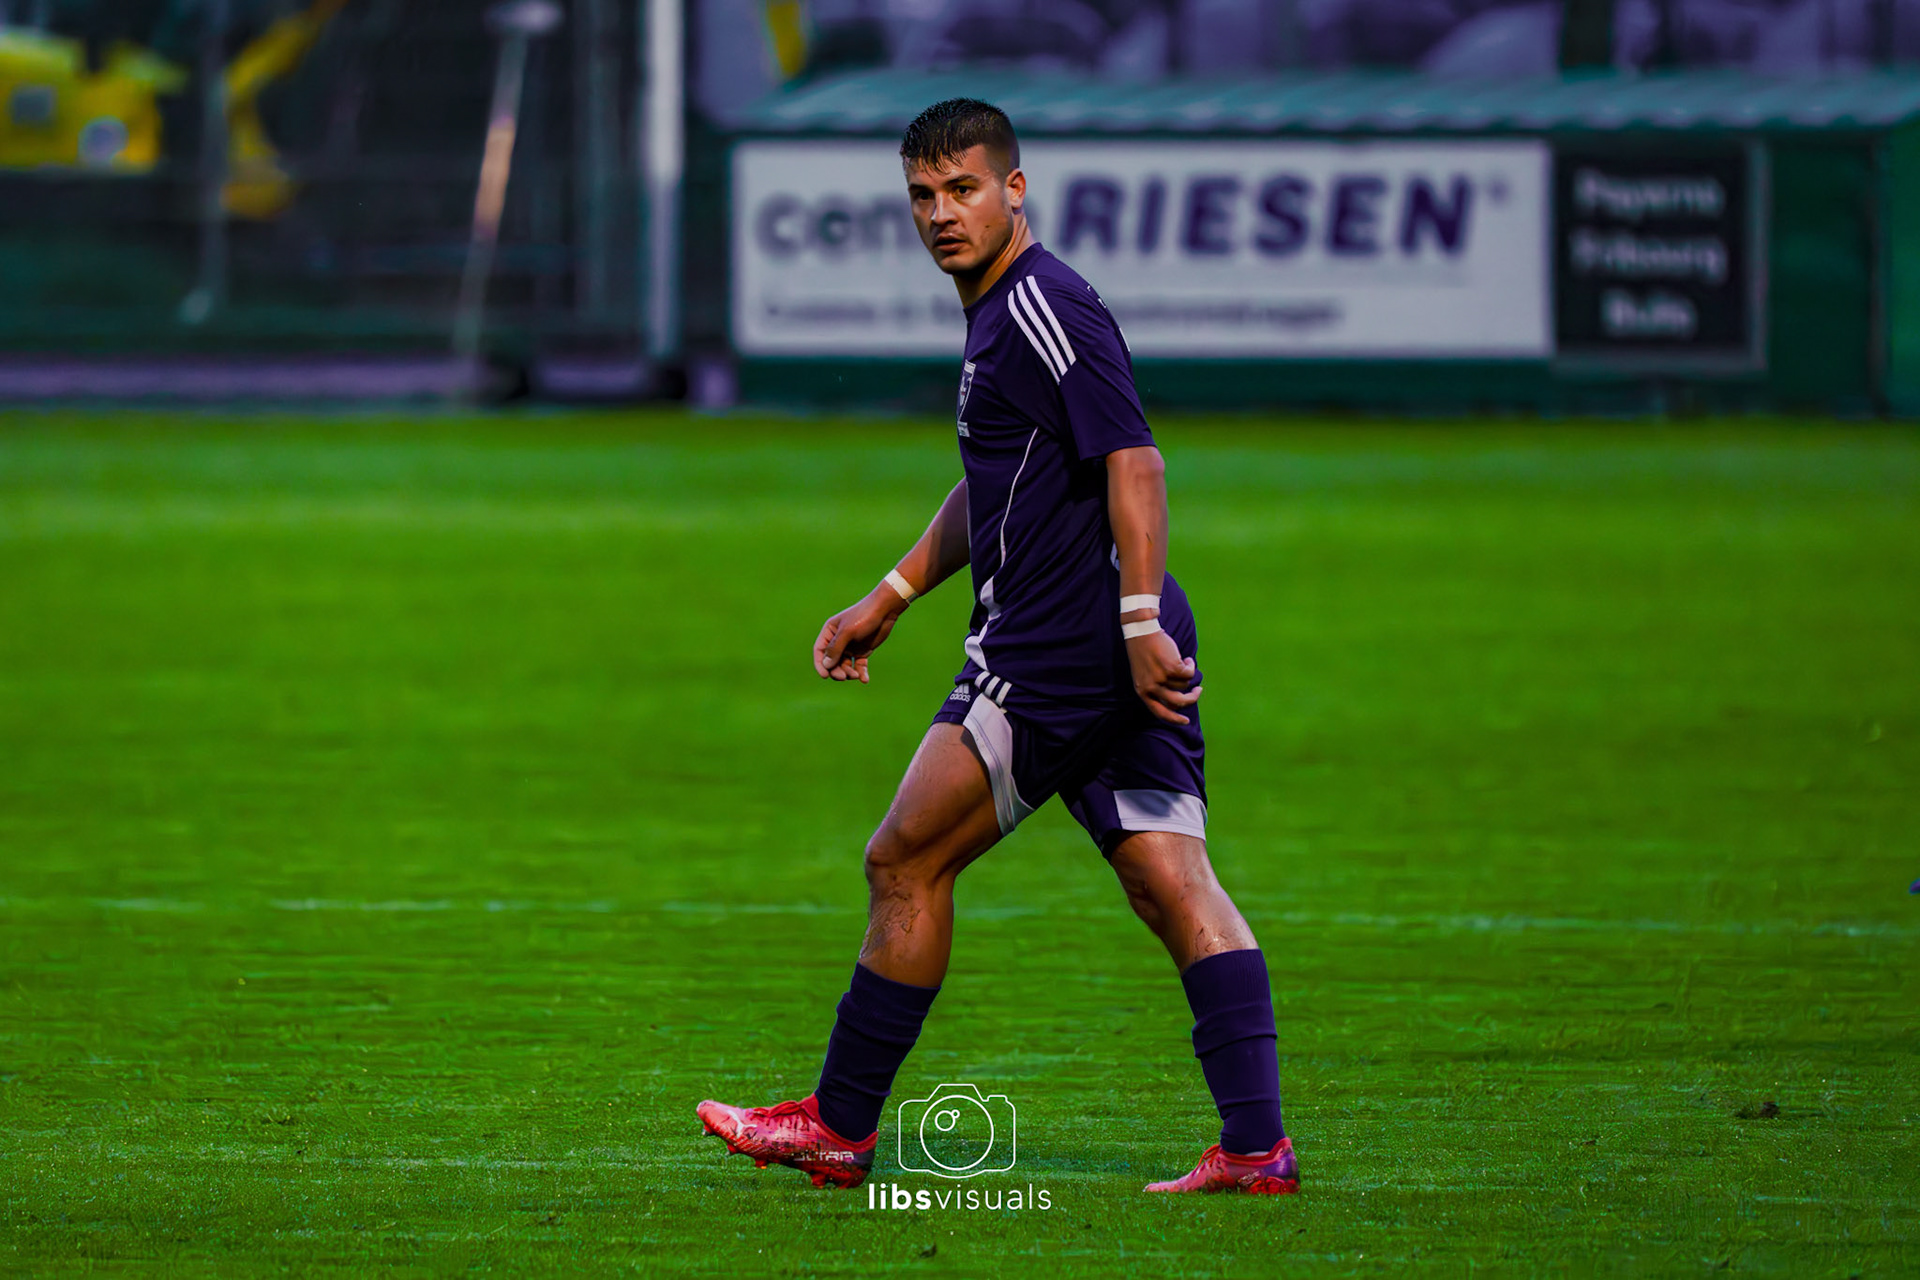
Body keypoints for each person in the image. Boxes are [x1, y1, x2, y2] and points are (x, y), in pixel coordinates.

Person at [697, 98, 1296, 1196]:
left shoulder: (1045, 303)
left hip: (1065, 646)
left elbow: (1137, 461)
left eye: (963, 189)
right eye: (922, 196)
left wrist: (1135, 619)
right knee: (1175, 880)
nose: (941, 213)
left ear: (1015, 189)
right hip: (1108, 638)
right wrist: (894, 590)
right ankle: (1258, 1148)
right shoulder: (999, 313)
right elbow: (999, 478)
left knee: (903, 858)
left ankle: (838, 1125)